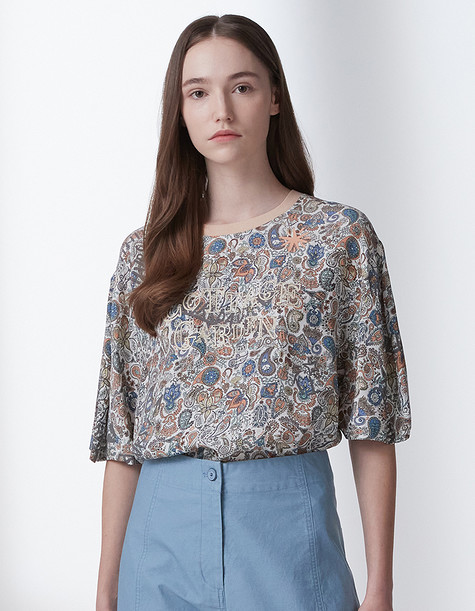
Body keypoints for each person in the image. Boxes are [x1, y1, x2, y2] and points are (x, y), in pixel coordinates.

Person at [90, 13, 411, 611]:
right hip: (158, 552)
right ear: (179, 112)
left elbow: (373, 425)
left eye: (241, 86)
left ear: (274, 98)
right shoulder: (145, 255)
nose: (221, 110)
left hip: (287, 545)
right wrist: (106, 593)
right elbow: (122, 440)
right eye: (198, 93)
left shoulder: (337, 239)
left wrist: (380, 588)